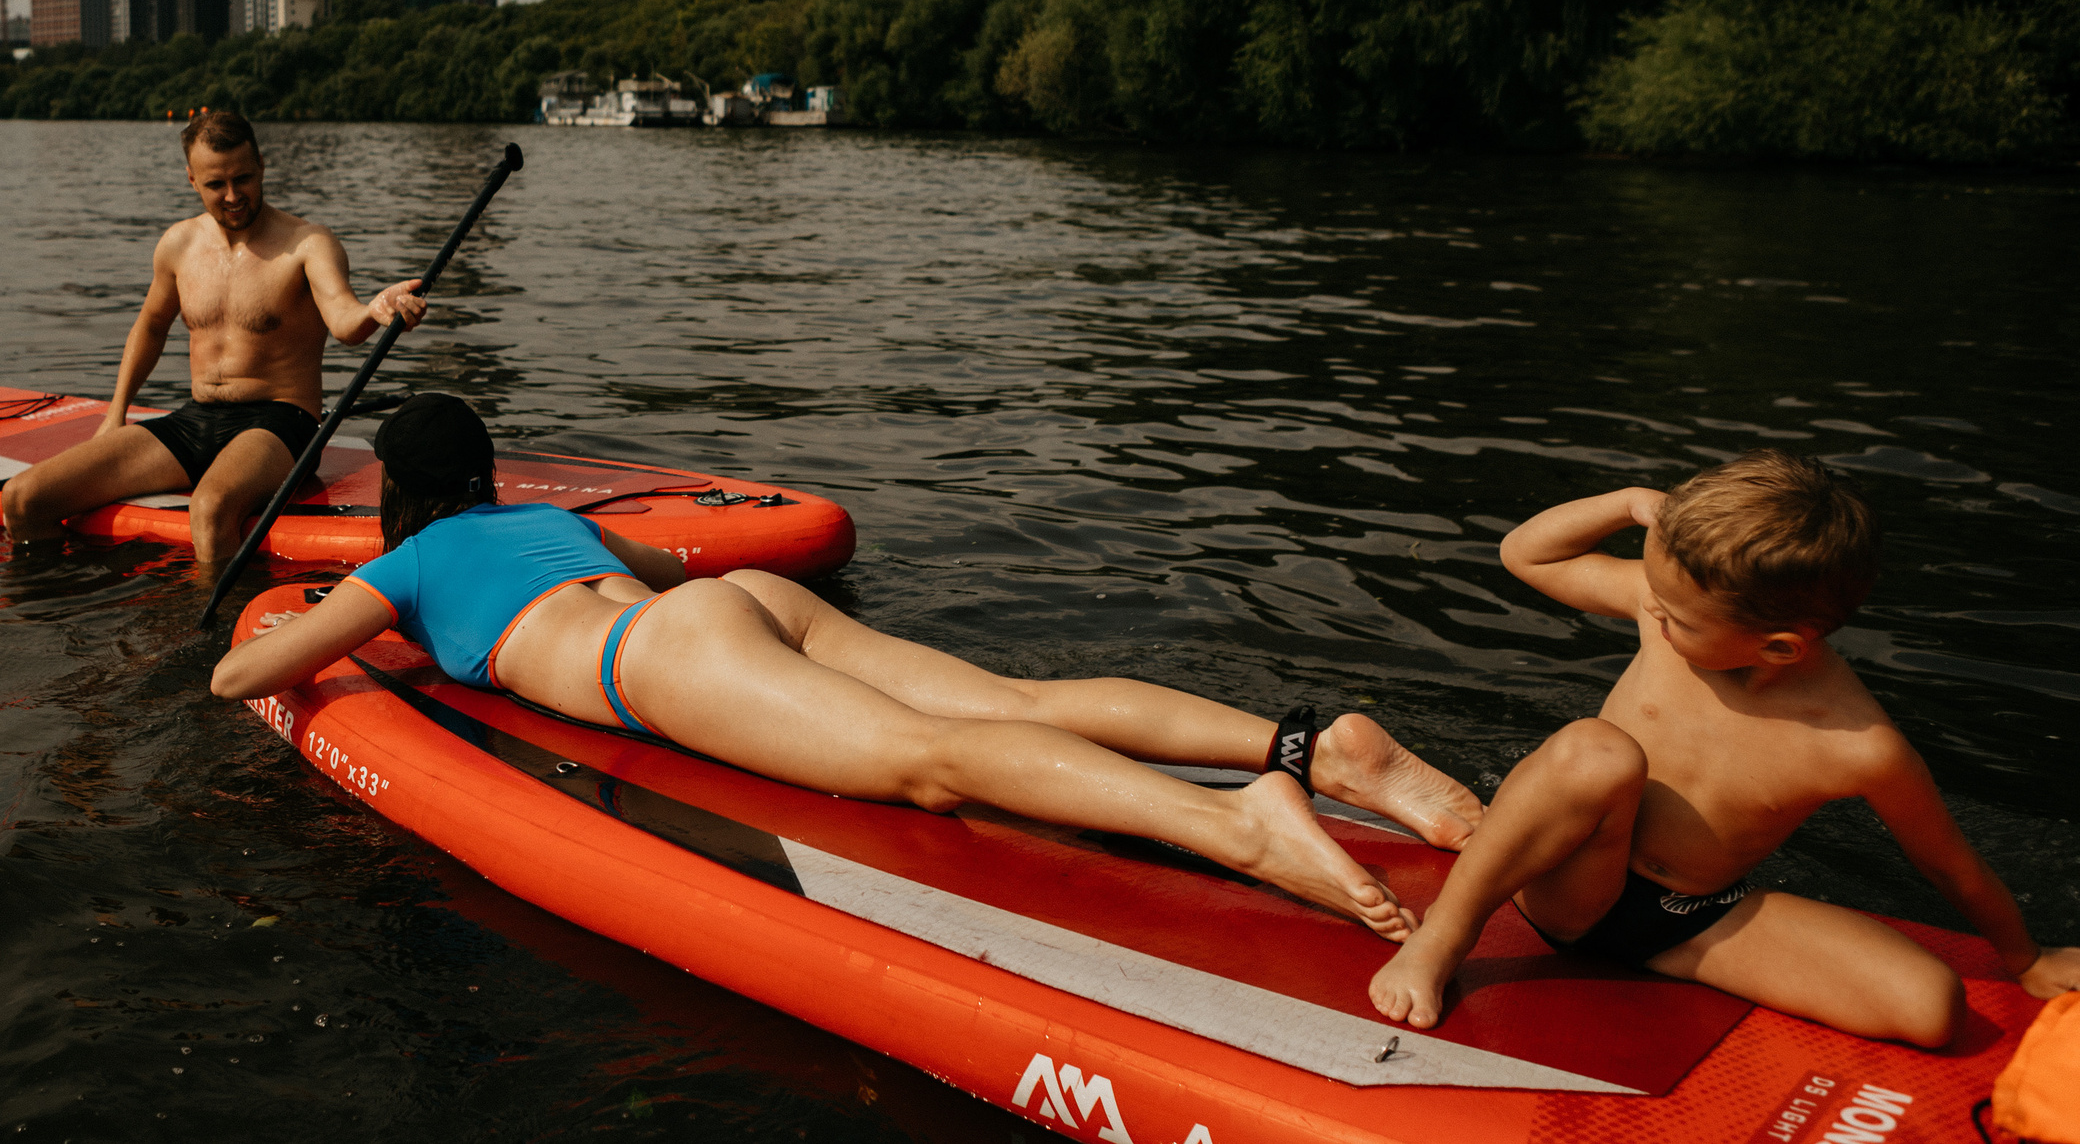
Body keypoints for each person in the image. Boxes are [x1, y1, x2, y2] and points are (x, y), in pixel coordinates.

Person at [212, 393, 1490, 941]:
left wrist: (293, 627)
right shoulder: (544, 521)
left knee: (930, 763)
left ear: (402, 493)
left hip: (656, 659)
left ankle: (1243, 822)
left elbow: (242, 677)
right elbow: (667, 571)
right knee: (1015, 700)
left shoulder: (408, 562)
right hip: (728, 604)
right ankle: (1307, 744)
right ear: (487, 473)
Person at [1368, 451, 2080, 1044]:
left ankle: (1646, 958)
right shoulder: (1665, 608)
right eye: (1655, 594)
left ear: (1778, 647)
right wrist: (1630, 503)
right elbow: (1525, 554)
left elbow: (1948, 864)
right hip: (1564, 877)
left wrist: (2025, 958)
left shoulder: (1861, 746)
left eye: (1675, 615)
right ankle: (1444, 938)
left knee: (1932, 1007)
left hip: (1690, 919)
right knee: (1597, 751)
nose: (1652, 610)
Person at [2, 110, 428, 573]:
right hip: (196, 418)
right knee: (23, 498)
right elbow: (151, 326)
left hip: (282, 421)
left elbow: (344, 320)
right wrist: (115, 414)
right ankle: (58, 601)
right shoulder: (178, 244)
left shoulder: (308, 243)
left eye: (242, 178)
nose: (232, 196)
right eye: (215, 184)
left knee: (209, 508)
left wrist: (375, 310)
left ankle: (215, 619)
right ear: (191, 179)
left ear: (262, 165)